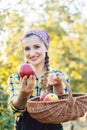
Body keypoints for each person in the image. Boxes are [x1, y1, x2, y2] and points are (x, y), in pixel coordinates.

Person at [8, 29, 70, 130]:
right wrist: (23, 95)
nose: (32, 53)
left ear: (46, 47)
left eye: (37, 47)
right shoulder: (16, 78)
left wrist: (58, 86)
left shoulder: (59, 76)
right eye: (27, 48)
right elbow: (15, 110)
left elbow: (64, 111)